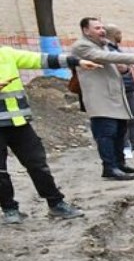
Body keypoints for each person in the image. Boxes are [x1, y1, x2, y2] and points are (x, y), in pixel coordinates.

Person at [0, 46, 96, 224]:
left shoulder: (6, 54)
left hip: (19, 123)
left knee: (38, 164)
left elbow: (42, 59)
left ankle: (56, 203)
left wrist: (76, 61)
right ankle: (10, 210)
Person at [71, 17, 134, 181]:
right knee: (106, 134)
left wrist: (124, 70)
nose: (102, 31)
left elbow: (115, 64)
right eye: (97, 28)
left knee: (120, 132)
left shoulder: (105, 46)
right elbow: (105, 57)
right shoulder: (82, 46)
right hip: (99, 98)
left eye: (102, 28)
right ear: (86, 30)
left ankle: (120, 164)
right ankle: (109, 167)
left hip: (115, 97)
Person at [103, 25, 134, 159]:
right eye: (120, 33)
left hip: (129, 89)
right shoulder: (107, 50)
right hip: (118, 89)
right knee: (123, 120)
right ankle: (125, 146)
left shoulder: (118, 50)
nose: (121, 36)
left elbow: (128, 68)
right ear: (114, 34)